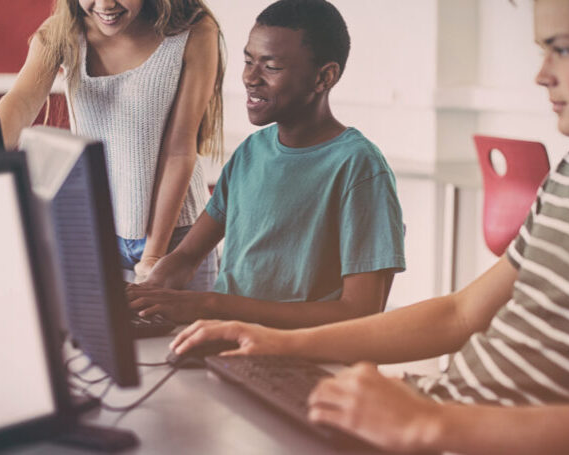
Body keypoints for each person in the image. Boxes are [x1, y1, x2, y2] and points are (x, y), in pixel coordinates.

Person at [169, 0, 569, 452]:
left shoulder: (357, 166)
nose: (541, 74)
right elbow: (461, 312)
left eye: (562, 49)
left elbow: (362, 308)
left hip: (455, 429)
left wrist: (429, 423)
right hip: (444, 409)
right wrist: (275, 342)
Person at [127, 0, 405, 328]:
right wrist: (146, 293)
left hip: (302, 360)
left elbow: (360, 313)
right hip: (230, 344)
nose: (250, 77)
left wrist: (214, 306)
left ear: (324, 77)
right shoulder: (251, 152)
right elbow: (187, 257)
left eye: (270, 66)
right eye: (248, 61)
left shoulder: (359, 167)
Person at [0, 0, 224, 290]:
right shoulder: (61, 32)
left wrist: (152, 256)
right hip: (98, 230)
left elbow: (178, 150)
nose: (104, 4)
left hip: (178, 236)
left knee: (182, 335)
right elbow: (22, 101)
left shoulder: (195, 31)